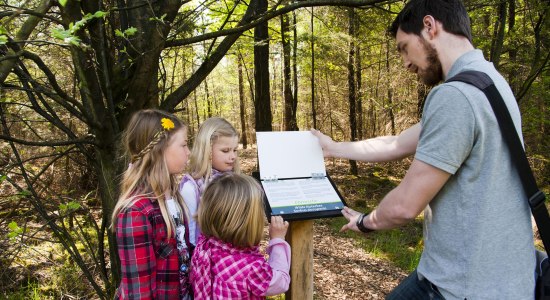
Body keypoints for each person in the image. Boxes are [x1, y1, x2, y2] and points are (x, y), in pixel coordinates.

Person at [312, 0, 535, 299]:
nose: (405, 63)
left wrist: (365, 222)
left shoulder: (454, 96)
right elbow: (397, 143)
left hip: (463, 286)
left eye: (404, 47)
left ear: (429, 27)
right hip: (509, 279)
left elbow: (405, 207)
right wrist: (333, 148)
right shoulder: (490, 83)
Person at [112, 109, 193, 299]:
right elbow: (140, 293)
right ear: (160, 150)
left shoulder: (173, 196)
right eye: (183, 145)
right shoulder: (136, 212)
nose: (188, 152)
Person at [190, 173, 291, 299]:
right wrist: (278, 240)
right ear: (247, 221)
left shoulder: (204, 246)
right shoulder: (251, 268)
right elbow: (281, 282)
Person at [179, 117, 241, 248]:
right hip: (205, 259)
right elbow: (190, 234)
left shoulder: (236, 181)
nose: (233, 156)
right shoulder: (191, 187)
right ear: (207, 150)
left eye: (235, 150)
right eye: (225, 150)